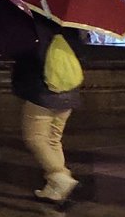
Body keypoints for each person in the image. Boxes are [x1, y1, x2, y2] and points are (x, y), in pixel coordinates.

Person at [12, 23, 81, 205]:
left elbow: (26, 56)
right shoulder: (69, 26)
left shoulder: (34, 27)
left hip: (42, 92)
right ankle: (54, 189)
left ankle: (60, 176)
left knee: (35, 138)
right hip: (68, 92)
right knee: (53, 139)